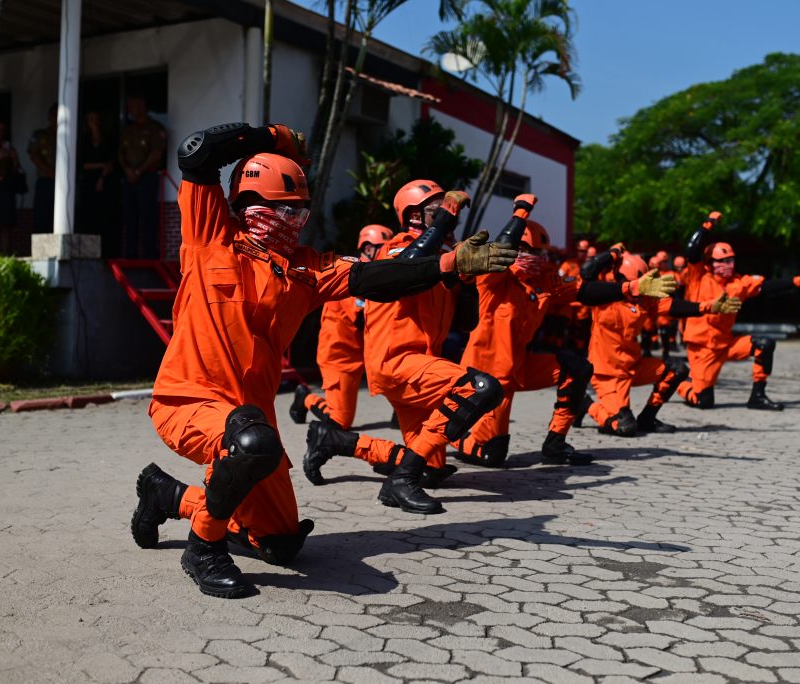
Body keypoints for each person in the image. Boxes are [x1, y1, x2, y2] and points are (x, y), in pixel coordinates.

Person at [128, 122, 516, 599]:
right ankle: (203, 549)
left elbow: (376, 277)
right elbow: (197, 152)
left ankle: (166, 495)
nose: (292, 221)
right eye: (282, 210)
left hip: (252, 419)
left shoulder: (305, 269)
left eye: (299, 212)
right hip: (189, 401)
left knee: (280, 542)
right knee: (250, 443)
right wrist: (272, 136)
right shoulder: (210, 236)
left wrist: (447, 264)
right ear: (248, 205)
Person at [300, 179, 518, 511]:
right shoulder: (393, 249)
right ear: (414, 215)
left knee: (430, 469)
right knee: (480, 389)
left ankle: (337, 441)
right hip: (396, 362)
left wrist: (465, 278)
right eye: (437, 210)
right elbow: (408, 267)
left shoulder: (444, 256)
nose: (448, 216)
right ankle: (399, 481)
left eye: (448, 211)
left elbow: (466, 320)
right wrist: (445, 225)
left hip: (422, 365)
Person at [455, 219, 678, 466]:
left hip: (520, 365)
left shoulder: (543, 281)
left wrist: (631, 287)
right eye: (528, 250)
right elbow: (500, 248)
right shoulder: (493, 277)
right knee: (492, 454)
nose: (535, 257)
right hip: (487, 375)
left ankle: (555, 445)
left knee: (576, 368)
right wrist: (521, 211)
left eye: (539, 252)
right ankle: (450, 435)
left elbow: (584, 290)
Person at [674, 211, 800, 411]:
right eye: (722, 261)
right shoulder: (698, 277)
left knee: (764, 345)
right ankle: (679, 382)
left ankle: (757, 396)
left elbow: (767, 287)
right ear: (709, 263)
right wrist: (707, 225)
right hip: (702, 348)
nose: (728, 265)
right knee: (704, 401)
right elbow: (692, 250)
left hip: (726, 344)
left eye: (731, 260)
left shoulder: (739, 283)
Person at [580, 249, 741, 436]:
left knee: (677, 369)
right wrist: (613, 253)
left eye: (643, 284)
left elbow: (673, 306)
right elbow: (587, 274)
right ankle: (585, 404)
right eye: (636, 283)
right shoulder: (601, 297)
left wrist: (709, 307)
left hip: (633, 366)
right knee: (625, 427)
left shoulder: (643, 300)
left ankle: (648, 418)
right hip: (607, 374)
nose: (639, 289)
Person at [289, 224, 394, 429]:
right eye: (384, 249)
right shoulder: (351, 275)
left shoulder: (375, 277)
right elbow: (362, 317)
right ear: (368, 248)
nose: (388, 255)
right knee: (340, 421)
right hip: (339, 357)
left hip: (362, 355)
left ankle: (401, 412)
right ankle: (306, 398)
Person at [118, 94, 166, 258]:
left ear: (142, 105)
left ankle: (149, 256)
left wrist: (139, 171)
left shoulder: (155, 128)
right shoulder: (128, 130)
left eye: (133, 105)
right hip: (129, 178)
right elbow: (120, 153)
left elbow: (156, 153)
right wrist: (127, 170)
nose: (130, 109)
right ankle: (130, 255)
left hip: (147, 177)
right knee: (129, 217)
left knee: (148, 217)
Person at [77, 110, 118, 256]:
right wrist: (101, 165)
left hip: (107, 184)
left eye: (96, 119)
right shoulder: (83, 141)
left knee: (106, 218)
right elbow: (81, 164)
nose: (94, 122)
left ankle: (107, 252)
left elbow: (112, 162)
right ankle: (89, 253)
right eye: (91, 119)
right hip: (88, 184)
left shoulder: (109, 139)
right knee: (88, 218)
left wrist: (102, 176)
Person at [0, 121, 22, 254]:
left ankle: (5, 254)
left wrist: (14, 159)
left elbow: (16, 170)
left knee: (6, 223)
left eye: (2, 130)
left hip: (5, 187)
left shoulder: (9, 148)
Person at [27, 104, 57, 233]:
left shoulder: (68, 136)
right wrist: (49, 171)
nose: (56, 119)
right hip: (45, 182)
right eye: (54, 115)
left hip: (64, 184)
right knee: (41, 219)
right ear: (49, 117)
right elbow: (33, 155)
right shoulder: (40, 135)